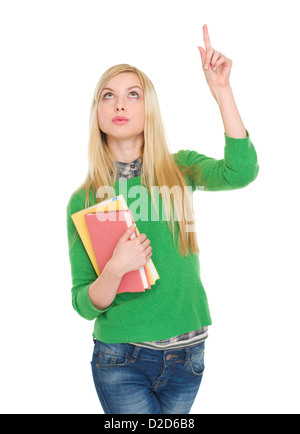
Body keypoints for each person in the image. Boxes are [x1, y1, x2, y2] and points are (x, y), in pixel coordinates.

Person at [66, 24, 259, 414]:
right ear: (98, 112)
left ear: (148, 108)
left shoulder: (180, 169)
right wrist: (116, 270)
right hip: (122, 358)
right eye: (109, 96)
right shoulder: (84, 200)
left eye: (132, 95)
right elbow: (85, 303)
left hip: (189, 355)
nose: (120, 105)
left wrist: (222, 90)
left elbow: (242, 172)